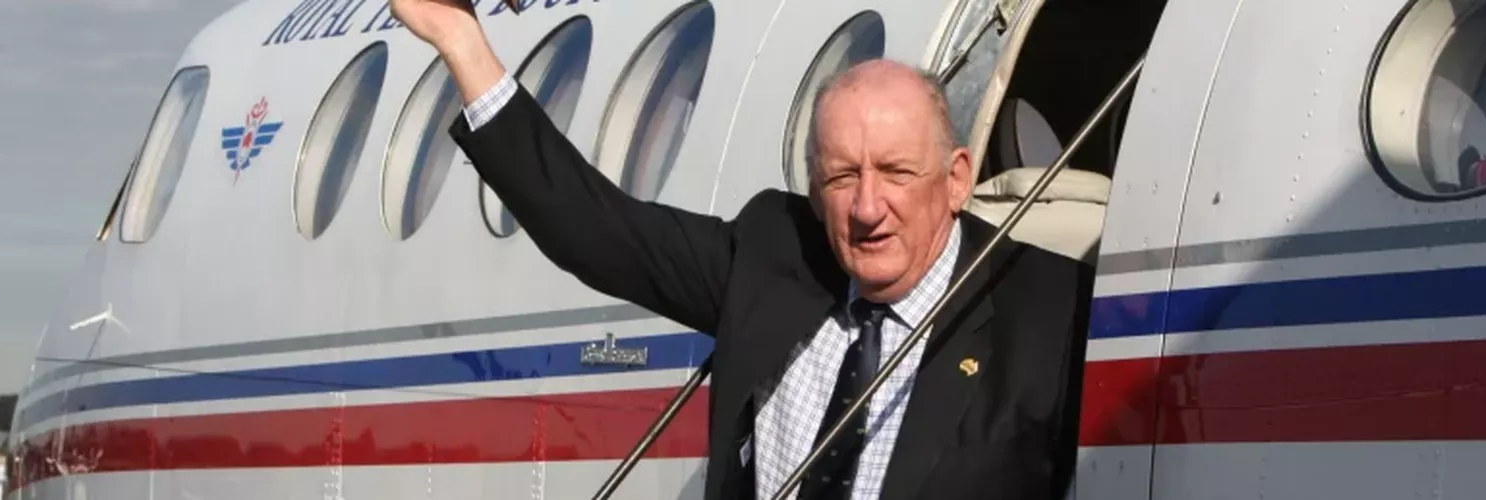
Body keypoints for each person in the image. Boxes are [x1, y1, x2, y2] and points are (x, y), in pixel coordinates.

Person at [388, 1, 1094, 499]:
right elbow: (592, 229)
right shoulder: (773, 255)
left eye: (898, 172)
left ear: (957, 178)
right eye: (843, 176)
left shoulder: (1053, 313)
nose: (868, 208)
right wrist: (462, 42)